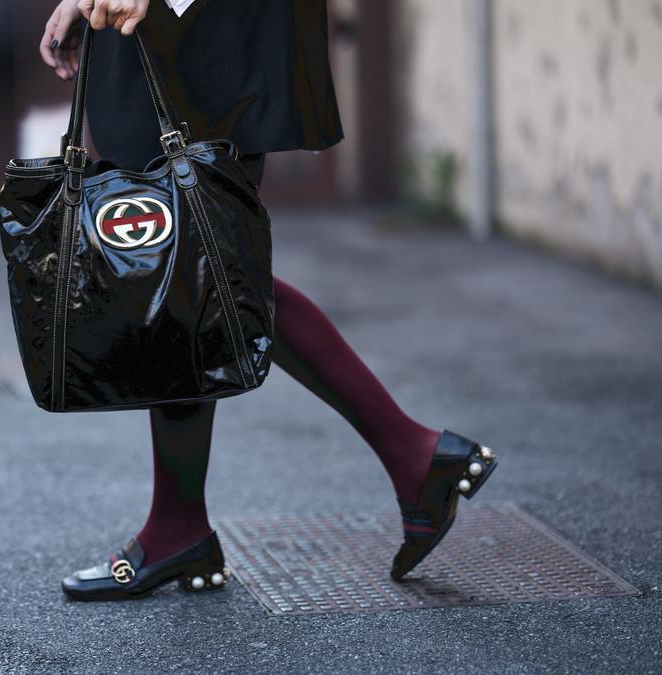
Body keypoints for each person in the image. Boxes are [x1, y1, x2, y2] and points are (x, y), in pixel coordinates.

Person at [37, 0, 500, 601]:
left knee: (192, 267)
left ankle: (185, 527)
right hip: (169, 25)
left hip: (201, 26)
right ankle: (405, 458)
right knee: (190, 269)